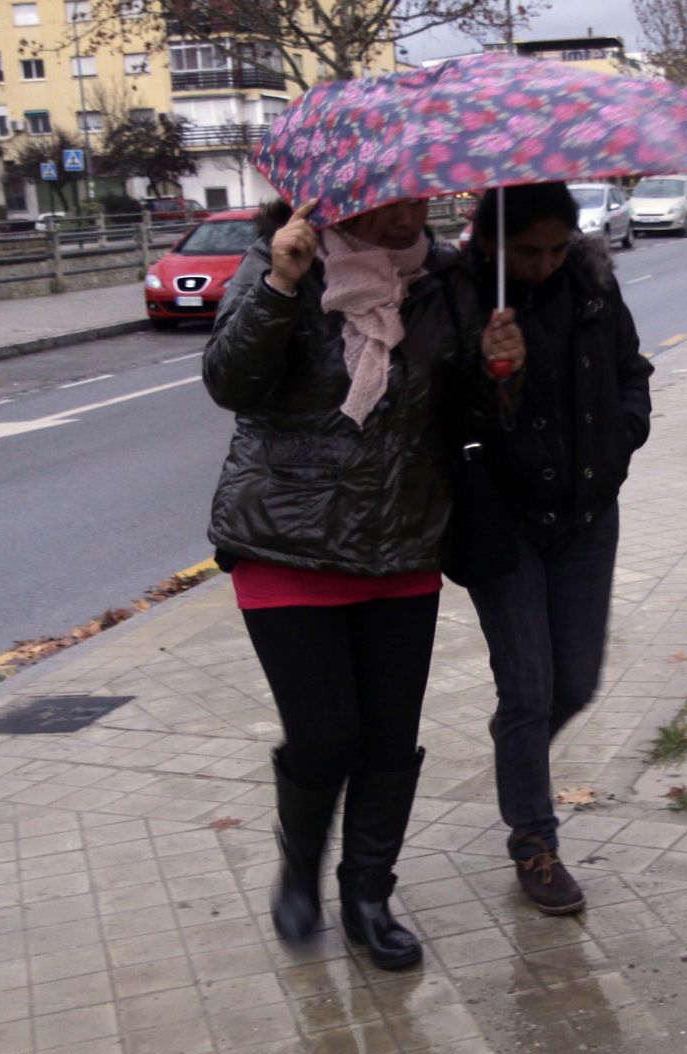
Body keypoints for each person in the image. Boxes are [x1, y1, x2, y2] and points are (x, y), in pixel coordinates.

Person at [203, 196, 521, 970]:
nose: (406, 214)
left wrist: (499, 369)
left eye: (416, 197)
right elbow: (230, 383)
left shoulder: (446, 279)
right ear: (342, 196)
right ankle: (300, 872)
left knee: (387, 741)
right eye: (386, 201)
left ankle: (369, 895)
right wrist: (281, 285)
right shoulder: (288, 261)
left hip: (402, 540)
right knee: (324, 737)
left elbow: (468, 417)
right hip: (288, 540)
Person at [459, 182, 653, 915]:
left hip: (587, 513)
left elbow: (632, 372)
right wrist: (493, 376)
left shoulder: (594, 286)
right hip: (504, 523)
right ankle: (534, 846)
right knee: (529, 690)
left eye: (555, 248)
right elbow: (442, 413)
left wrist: (622, 435)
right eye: (526, 250)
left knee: (572, 684)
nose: (543, 264)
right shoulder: (463, 299)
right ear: (489, 243)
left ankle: (519, 746)